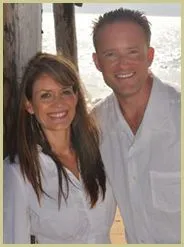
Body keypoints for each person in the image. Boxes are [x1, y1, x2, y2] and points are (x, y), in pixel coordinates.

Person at [3, 52, 117, 244]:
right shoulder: (18, 171)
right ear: (29, 105)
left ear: (76, 96)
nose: (59, 103)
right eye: (46, 95)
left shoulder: (99, 151)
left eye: (65, 91)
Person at [92, 8, 180, 244]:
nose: (122, 65)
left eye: (132, 52)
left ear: (150, 56)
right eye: (111, 54)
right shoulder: (95, 124)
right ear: (97, 61)